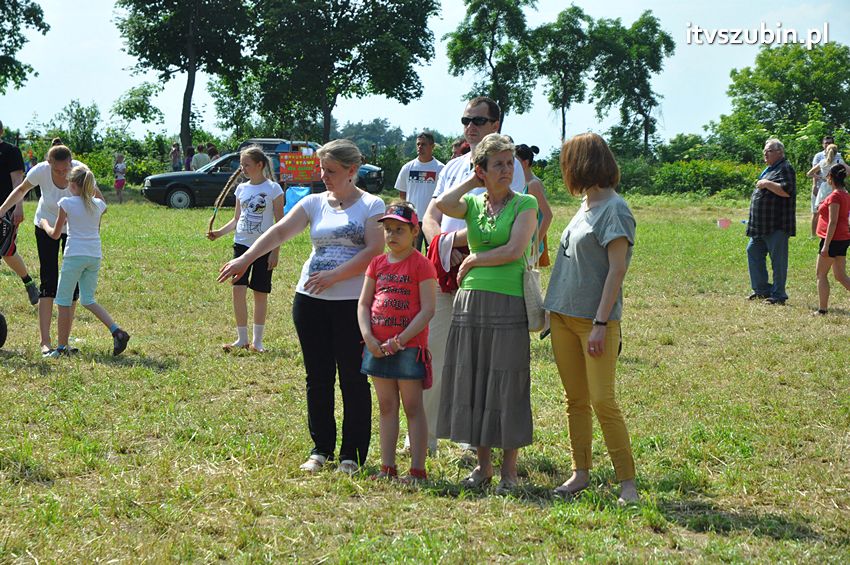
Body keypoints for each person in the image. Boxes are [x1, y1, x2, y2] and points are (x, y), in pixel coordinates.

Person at [218, 139, 385, 475]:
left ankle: (351, 455)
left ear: (352, 171)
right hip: (310, 302)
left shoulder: (372, 205)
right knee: (318, 378)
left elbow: (374, 251)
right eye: (322, 169)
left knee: (353, 379)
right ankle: (321, 449)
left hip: (352, 303)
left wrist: (335, 276)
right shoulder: (313, 203)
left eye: (331, 171)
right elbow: (279, 230)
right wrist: (246, 258)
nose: (323, 176)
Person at [419, 96, 526, 457]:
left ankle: (470, 437)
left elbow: (511, 222)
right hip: (446, 268)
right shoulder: (451, 167)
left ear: (496, 123)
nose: (471, 126)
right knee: (433, 350)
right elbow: (432, 214)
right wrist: (443, 248)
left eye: (479, 120)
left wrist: (471, 252)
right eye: (466, 120)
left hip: (485, 272)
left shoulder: (509, 167)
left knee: (472, 359)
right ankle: (426, 434)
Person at [435, 133, 537, 493]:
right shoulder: (475, 204)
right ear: (482, 170)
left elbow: (514, 249)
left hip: (508, 303)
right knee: (474, 380)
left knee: (506, 383)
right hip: (469, 304)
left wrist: (475, 257)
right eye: (498, 165)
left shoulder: (524, 204)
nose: (507, 170)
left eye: (510, 163)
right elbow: (444, 205)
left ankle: (509, 471)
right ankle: (483, 467)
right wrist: (472, 180)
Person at [544, 132, 639, 503]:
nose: (564, 169)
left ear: (582, 163)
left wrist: (601, 324)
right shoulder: (586, 205)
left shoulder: (616, 209)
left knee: (603, 400)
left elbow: (617, 270)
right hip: (562, 318)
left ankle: (627, 482)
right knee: (575, 400)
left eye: (567, 161)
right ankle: (579, 472)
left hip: (594, 323)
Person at [358, 202, 437, 482]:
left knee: (413, 407)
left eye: (399, 230)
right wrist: (368, 336)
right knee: (386, 406)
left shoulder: (421, 264)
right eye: (388, 230)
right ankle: (387, 467)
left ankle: (417, 470)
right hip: (377, 347)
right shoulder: (377, 263)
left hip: (408, 347)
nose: (392, 235)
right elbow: (364, 303)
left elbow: (428, 309)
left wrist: (401, 340)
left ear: (415, 231)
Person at [0, 144, 105, 354]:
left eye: (65, 169)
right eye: (57, 170)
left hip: (73, 230)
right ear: (49, 163)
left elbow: (99, 201)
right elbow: (21, 189)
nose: (63, 174)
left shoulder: (80, 172)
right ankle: (45, 341)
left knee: (72, 284)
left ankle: (64, 340)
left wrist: (90, 228)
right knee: (48, 279)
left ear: (71, 162)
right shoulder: (40, 170)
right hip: (45, 224)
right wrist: (2, 210)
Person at [37, 165, 130, 358]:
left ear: (72, 184)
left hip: (74, 256)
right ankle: (117, 331)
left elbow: (55, 235)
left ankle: (61, 348)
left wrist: (44, 223)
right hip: (94, 255)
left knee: (63, 301)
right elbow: (100, 204)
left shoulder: (66, 203)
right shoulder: (98, 204)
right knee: (88, 299)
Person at [208, 146, 284, 353]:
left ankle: (257, 342)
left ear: (259, 165)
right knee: (237, 290)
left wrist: (275, 252)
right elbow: (236, 220)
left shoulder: (273, 189)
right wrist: (219, 233)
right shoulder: (241, 189)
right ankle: (242, 339)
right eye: (241, 165)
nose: (243, 169)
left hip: (264, 247)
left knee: (260, 292)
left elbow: (281, 225)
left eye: (247, 165)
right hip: (241, 245)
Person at [746, 138, 796, 305]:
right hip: (760, 226)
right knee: (752, 252)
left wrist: (767, 183)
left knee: (778, 261)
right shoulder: (769, 169)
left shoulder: (785, 168)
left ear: (779, 153)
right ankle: (761, 290)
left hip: (777, 225)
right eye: (764, 151)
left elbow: (787, 191)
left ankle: (778, 295)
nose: (765, 154)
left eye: (768, 151)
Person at [0, 119, 39, 305]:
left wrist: (18, 206)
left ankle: (28, 282)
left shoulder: (11, 152)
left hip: (5, 208)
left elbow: (18, 182)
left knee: (7, 251)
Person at [395, 132, 444, 252]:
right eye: (418, 144)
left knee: (433, 252)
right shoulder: (408, 168)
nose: (420, 147)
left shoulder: (440, 168)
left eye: (424, 144)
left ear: (432, 146)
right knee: (411, 253)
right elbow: (403, 194)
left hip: (433, 220)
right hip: (413, 220)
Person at [814, 164, 850, 315]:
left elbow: (833, 221)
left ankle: (822, 310)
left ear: (830, 177)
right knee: (840, 275)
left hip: (833, 239)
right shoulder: (845, 194)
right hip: (843, 238)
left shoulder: (835, 196)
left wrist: (826, 246)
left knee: (821, 274)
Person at [515, 143, 553, 267]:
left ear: (525, 163)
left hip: (530, 244)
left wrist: (535, 244)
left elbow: (548, 215)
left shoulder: (533, 184)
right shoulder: (521, 182)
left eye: (514, 161)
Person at [809, 136, 844, 237]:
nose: (827, 144)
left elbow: (810, 173)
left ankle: (824, 232)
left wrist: (821, 177)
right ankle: (815, 234)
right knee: (819, 212)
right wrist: (815, 185)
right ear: (823, 144)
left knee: (824, 210)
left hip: (826, 186)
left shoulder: (838, 158)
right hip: (825, 186)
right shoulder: (819, 156)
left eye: (829, 143)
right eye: (826, 142)